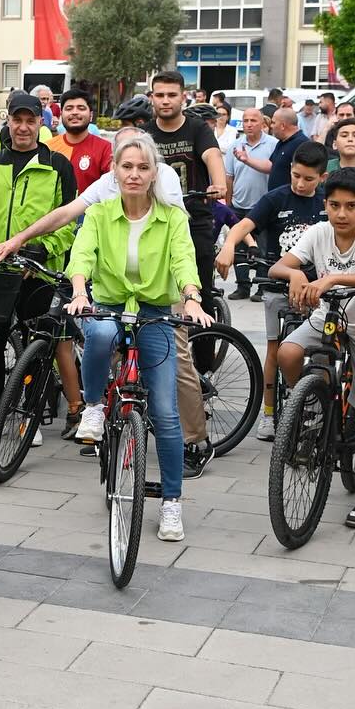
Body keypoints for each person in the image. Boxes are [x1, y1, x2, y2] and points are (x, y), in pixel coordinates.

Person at [68, 135, 214, 542]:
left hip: (154, 311)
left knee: (166, 414)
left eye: (142, 168)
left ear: (154, 174)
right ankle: (94, 406)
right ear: (114, 171)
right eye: (126, 166)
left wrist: (192, 299)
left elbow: (184, 261)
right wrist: (80, 292)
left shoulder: (172, 218)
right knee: (97, 334)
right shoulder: (99, 213)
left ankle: (171, 503)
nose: (134, 174)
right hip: (109, 303)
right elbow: (82, 255)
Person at [271, 167, 355, 527]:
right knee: (288, 353)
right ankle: (310, 407)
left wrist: (333, 277)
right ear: (324, 204)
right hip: (329, 318)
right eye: (334, 205)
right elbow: (283, 265)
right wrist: (297, 273)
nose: (341, 214)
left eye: (351, 206)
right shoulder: (318, 232)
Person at [0, 90, 80, 438]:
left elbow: (70, 222)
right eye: (18, 119)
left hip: (37, 270)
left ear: (41, 123)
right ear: (8, 121)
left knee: (36, 344)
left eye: (31, 120)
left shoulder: (58, 166)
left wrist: (42, 249)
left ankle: (30, 412)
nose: (24, 127)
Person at [215, 142, 329, 440]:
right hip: (275, 283)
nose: (300, 183)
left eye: (308, 178)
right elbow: (244, 225)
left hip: (318, 288)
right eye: (295, 175)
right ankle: (268, 413)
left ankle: (315, 402)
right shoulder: (275, 198)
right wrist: (229, 245)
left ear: (322, 178)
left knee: (322, 350)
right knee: (275, 349)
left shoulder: (328, 203)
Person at [144, 71, 225, 476]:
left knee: (197, 300)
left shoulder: (196, 128)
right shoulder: (144, 133)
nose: (164, 101)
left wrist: (219, 182)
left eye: (171, 95)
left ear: (182, 97)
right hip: (149, 228)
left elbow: (212, 157)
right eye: (158, 95)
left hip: (193, 223)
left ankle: (201, 368)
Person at [224, 107, 278, 299]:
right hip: (239, 205)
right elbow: (229, 177)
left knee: (263, 249)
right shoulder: (235, 146)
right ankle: (242, 286)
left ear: (262, 123)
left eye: (253, 120)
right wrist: (228, 204)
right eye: (245, 120)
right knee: (239, 249)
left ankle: (262, 286)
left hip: (263, 206)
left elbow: (275, 172)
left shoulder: (273, 145)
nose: (248, 124)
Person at [47, 88, 113, 191]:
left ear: (91, 115)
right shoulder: (48, 148)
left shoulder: (105, 148)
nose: (74, 112)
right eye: (69, 108)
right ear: (61, 114)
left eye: (81, 108)